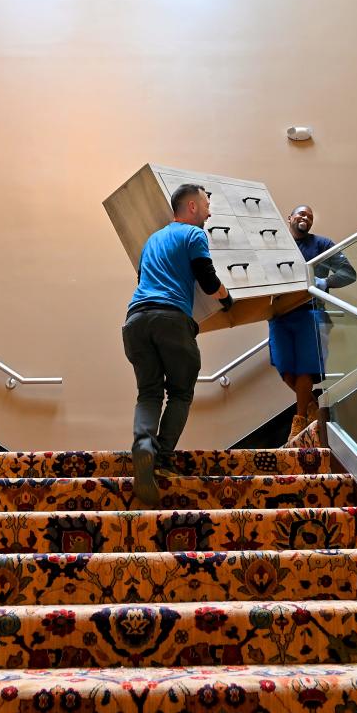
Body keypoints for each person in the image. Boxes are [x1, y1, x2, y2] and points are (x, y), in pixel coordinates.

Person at [122, 184, 233, 505]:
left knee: (149, 392)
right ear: (193, 207)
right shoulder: (195, 235)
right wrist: (227, 299)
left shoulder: (151, 240)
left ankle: (143, 445)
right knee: (181, 392)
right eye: (207, 205)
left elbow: (142, 280)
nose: (210, 212)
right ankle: (162, 457)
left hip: (134, 322)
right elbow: (208, 280)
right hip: (171, 319)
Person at [268, 205, 356, 445]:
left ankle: (298, 424)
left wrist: (323, 281)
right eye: (301, 213)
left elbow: (348, 273)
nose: (305, 217)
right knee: (284, 368)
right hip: (279, 315)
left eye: (310, 215)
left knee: (305, 369)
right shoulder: (275, 243)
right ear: (290, 218)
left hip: (310, 312)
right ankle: (313, 408)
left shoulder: (322, 244)